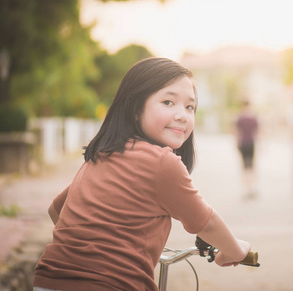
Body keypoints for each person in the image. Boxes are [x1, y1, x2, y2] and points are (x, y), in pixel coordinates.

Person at [33, 58, 250, 291]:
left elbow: (56, 210)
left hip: (48, 281)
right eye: (168, 102)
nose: (182, 115)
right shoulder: (162, 162)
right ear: (136, 109)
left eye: (189, 107)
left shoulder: (103, 154)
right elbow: (206, 224)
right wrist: (235, 250)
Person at [234, 99, 259, 200]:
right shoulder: (254, 118)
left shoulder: (240, 118)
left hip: (243, 143)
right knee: (251, 166)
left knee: (244, 166)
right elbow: (258, 132)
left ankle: (246, 189)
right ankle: (251, 189)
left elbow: (236, 132)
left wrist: (236, 143)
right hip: (251, 144)